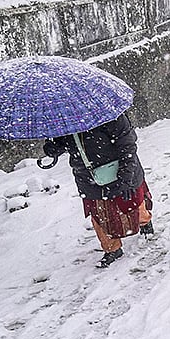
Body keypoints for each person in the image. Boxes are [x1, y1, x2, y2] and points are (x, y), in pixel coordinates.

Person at [43, 113, 153, 267]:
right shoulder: (64, 118)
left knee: (133, 204)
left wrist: (126, 176)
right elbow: (66, 143)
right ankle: (112, 248)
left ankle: (144, 221)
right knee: (99, 214)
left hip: (119, 169)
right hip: (87, 176)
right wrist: (54, 147)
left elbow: (127, 145)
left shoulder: (109, 113)